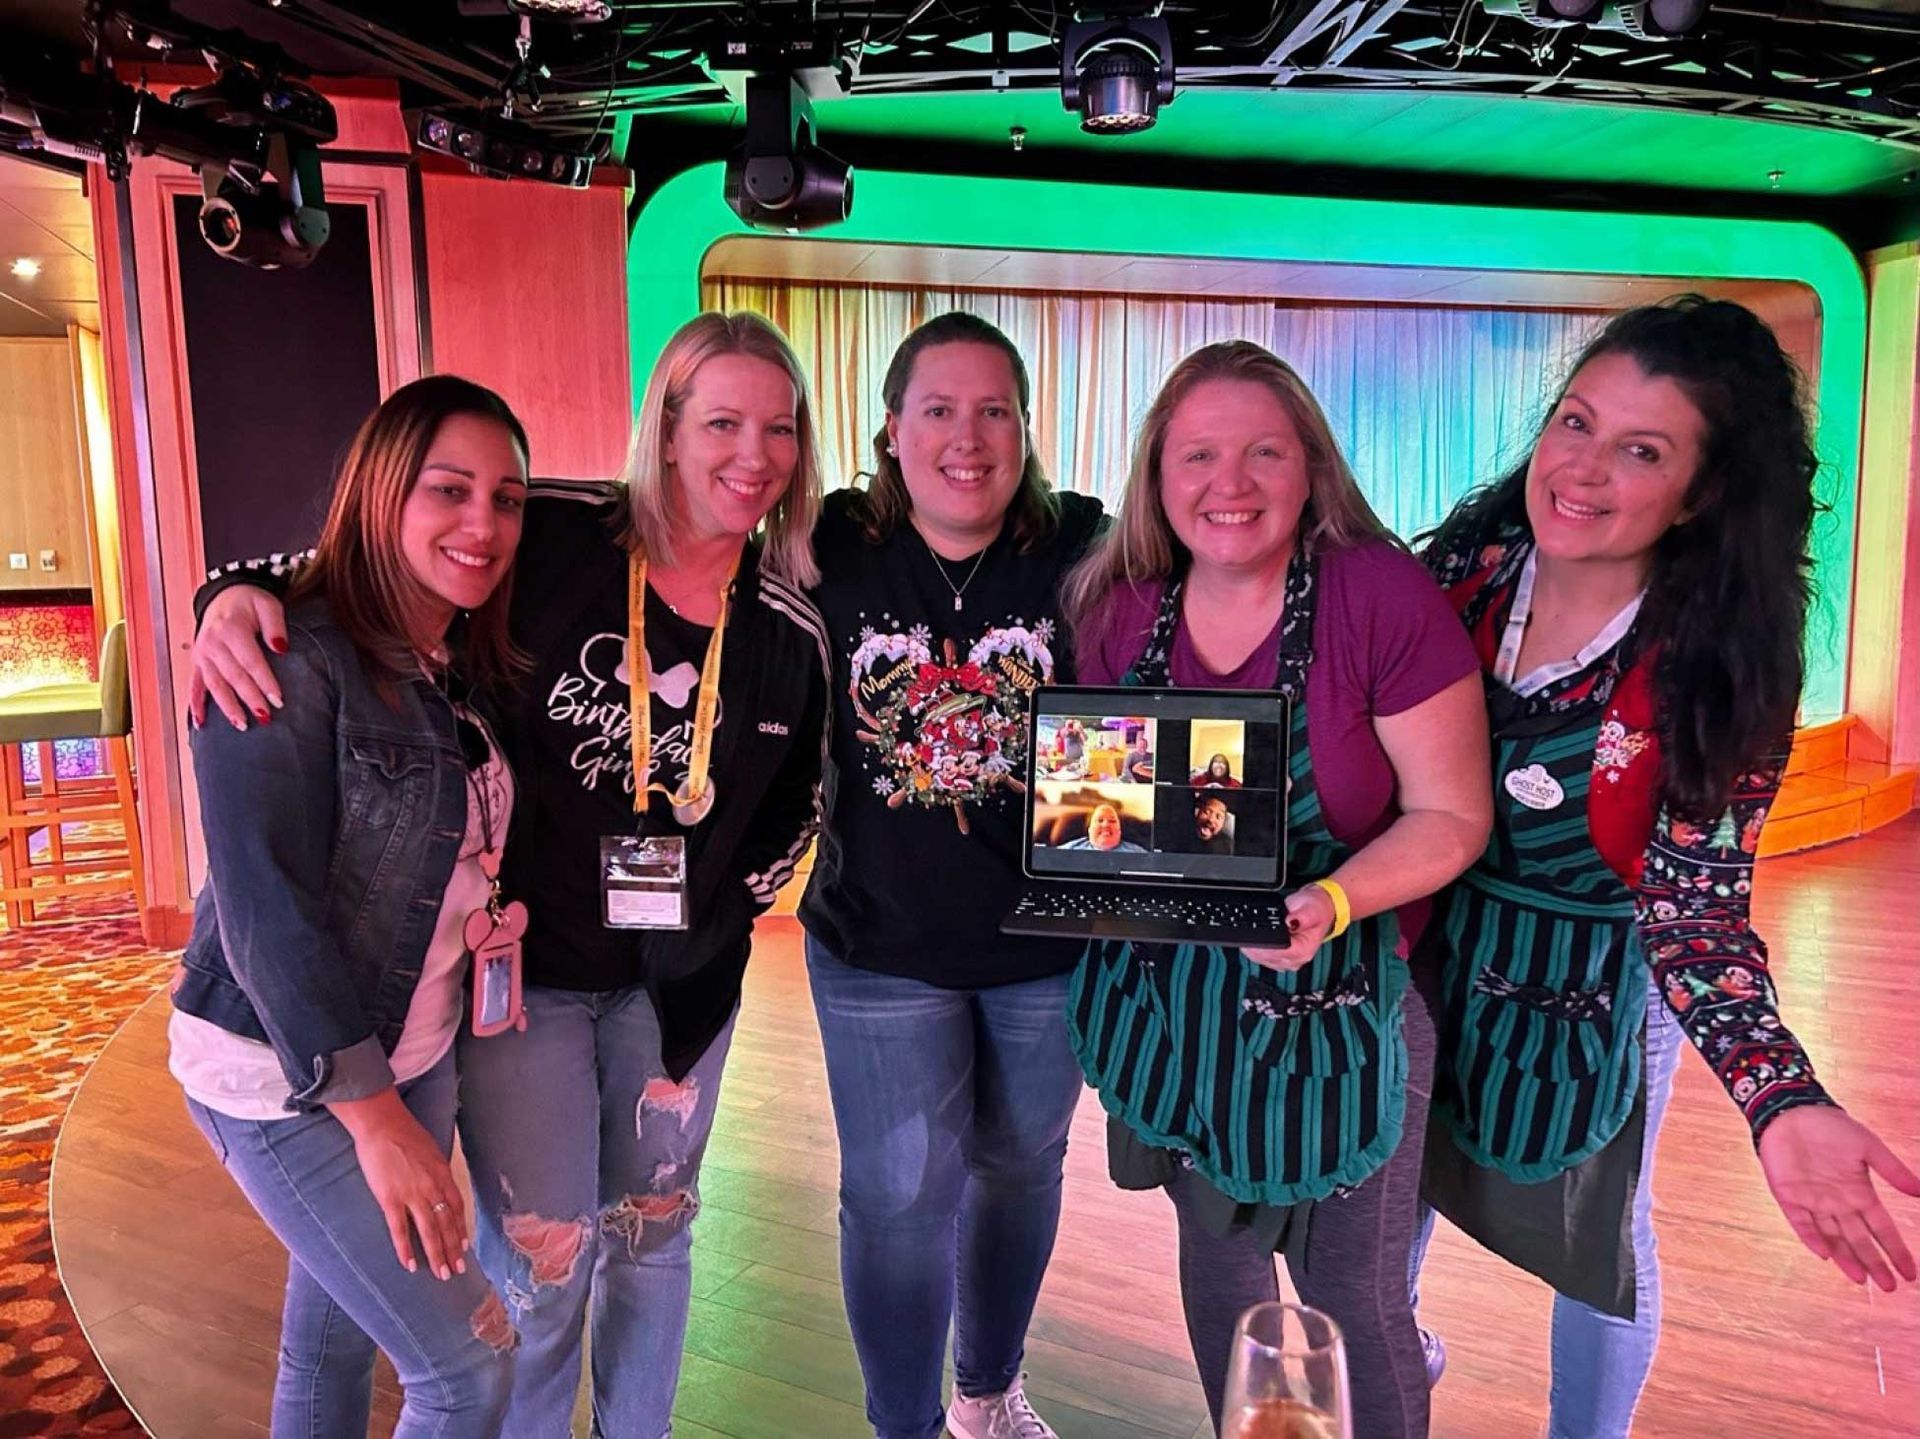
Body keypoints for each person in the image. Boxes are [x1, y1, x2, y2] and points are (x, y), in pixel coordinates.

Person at [187, 313, 831, 1439]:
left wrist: (727, 907)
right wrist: (227, 594)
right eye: (721, 419)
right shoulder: (558, 532)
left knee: (657, 1232)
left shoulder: (788, 622)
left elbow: (797, 806)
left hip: (679, 993)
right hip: (521, 986)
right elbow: (357, 560)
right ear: (667, 428)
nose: (752, 452)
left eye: (779, 427)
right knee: (542, 1253)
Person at [1413, 295, 1920, 1439]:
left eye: (1641, 450)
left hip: (1602, 975)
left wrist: (1778, 1096)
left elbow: (1693, 912)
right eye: (1576, 423)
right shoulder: (1470, 567)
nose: (1581, 470)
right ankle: (1392, 1366)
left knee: (1602, 1234)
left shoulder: (1721, 665)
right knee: (1381, 1192)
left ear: (1700, 491)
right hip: (1431, 942)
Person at [1062, 339, 1492, 1439]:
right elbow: (1112, 806)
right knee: (1220, 1261)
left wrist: (1332, 900)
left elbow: (1452, 814)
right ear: (1159, 472)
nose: (1231, 482)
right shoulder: (1120, 601)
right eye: (1199, 453)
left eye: (1265, 450)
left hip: (1348, 997)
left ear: (1314, 467)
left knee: (1352, 1289)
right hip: (1178, 1003)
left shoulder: (1375, 595)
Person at [169, 377, 530, 1437]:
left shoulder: (456, 654)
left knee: (329, 1343)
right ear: (382, 494)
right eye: (449, 490)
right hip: (290, 1078)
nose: (485, 523)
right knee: (469, 1367)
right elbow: (262, 910)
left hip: (412, 1052)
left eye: (506, 497)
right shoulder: (286, 654)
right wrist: (373, 1119)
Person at [802, 311, 1105, 1439]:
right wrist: (252, 582)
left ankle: (986, 1393)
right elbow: (637, 527)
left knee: (1023, 1170)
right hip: (877, 945)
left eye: (995, 411)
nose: (966, 437)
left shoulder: (1081, 545)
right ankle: (905, 1427)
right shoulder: (829, 542)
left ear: (1027, 428)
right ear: (890, 428)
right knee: (892, 1204)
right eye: (939, 408)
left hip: (1051, 948)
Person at [1058, 802, 1144, 852]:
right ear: (1089, 830)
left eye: (1112, 821)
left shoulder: (1137, 852)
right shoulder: (1071, 848)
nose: (1106, 824)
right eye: (1099, 820)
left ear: (1119, 831)